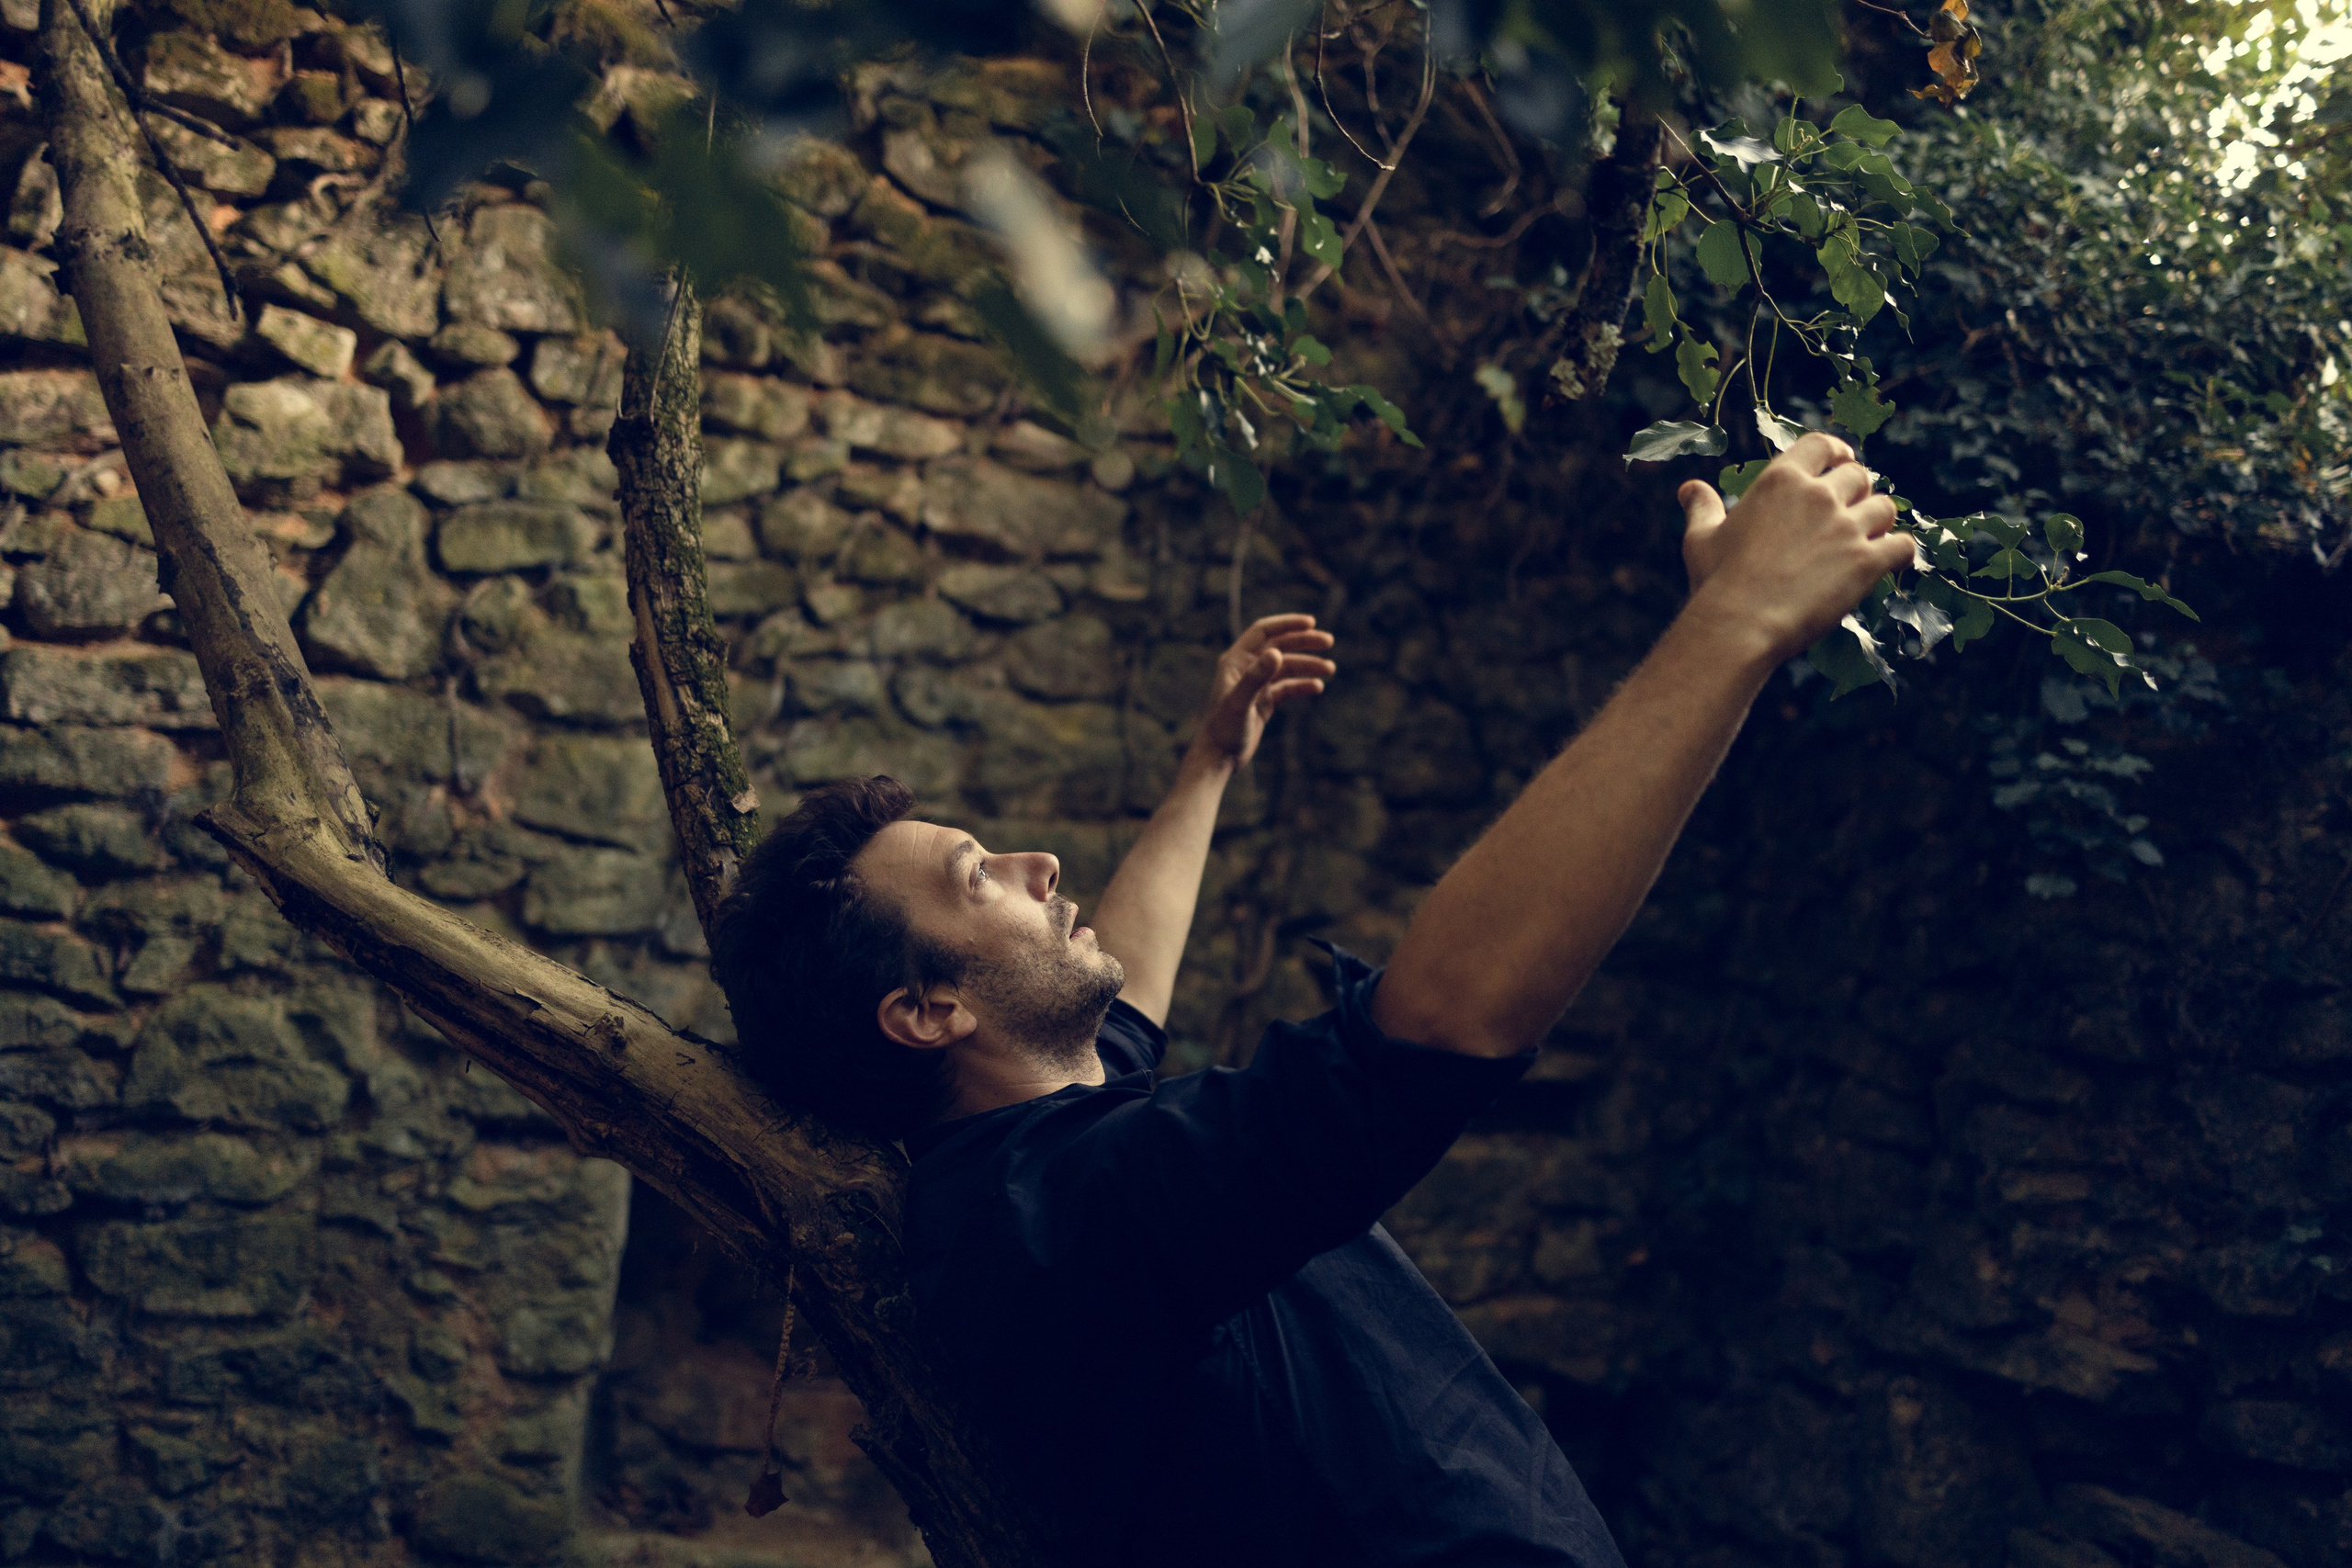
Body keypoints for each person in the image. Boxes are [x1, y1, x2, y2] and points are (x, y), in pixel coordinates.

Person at [709, 434, 1911, 1567]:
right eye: (982, 877)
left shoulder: (1037, 1161)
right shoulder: (1049, 1221)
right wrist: (1736, 625)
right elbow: (1443, 1025)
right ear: (927, 1014)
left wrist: (1210, 765)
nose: (1041, 867)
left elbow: (1120, 1012)